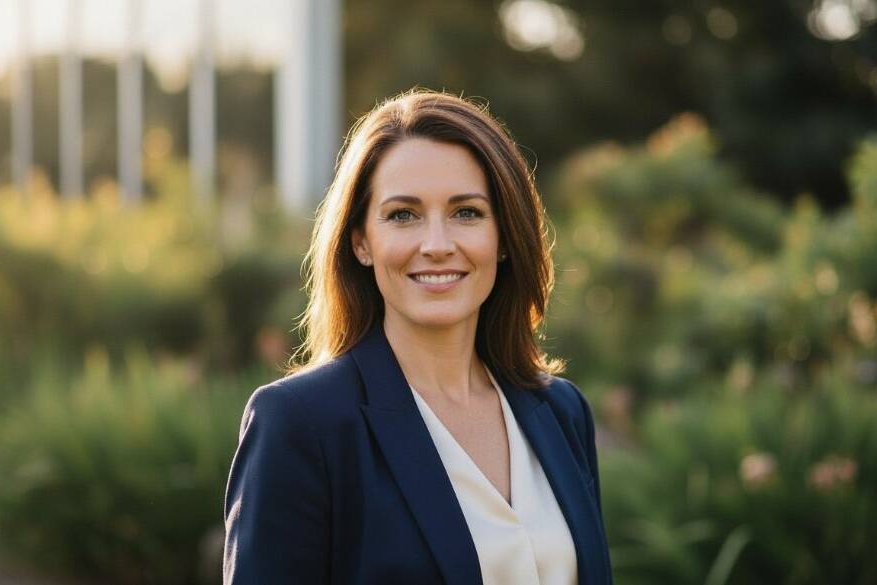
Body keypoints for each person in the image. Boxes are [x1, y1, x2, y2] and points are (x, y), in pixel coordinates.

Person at [223, 88, 612, 585]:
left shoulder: (561, 411)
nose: (436, 245)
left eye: (466, 212)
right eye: (402, 215)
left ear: (504, 236)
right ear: (361, 242)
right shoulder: (301, 423)